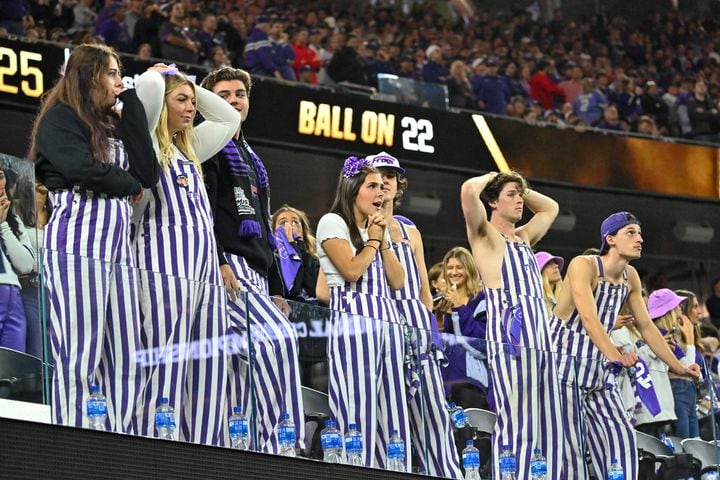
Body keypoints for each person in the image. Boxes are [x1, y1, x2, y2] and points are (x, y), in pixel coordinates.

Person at [30, 43, 158, 430]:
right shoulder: (59, 118)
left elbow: (148, 173)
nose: (120, 81)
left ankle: (114, 440)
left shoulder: (112, 122)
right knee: (80, 353)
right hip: (76, 242)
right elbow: (79, 168)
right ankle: (72, 439)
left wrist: (133, 104)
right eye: (112, 73)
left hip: (118, 249)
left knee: (125, 355)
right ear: (89, 77)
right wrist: (127, 183)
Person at [200, 66, 305, 453]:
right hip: (229, 268)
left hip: (258, 274)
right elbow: (205, 213)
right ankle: (285, 447)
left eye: (239, 94)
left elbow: (264, 225)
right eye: (223, 95)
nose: (232, 101)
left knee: (241, 377)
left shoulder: (251, 158)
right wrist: (219, 259)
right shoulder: (210, 145)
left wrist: (277, 288)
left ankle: (250, 454)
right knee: (277, 343)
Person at [133, 63, 239, 445]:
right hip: (163, 266)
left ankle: (202, 450)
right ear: (161, 104)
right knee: (164, 361)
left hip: (205, 272)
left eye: (194, 101)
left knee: (209, 366)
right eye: (182, 100)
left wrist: (188, 83)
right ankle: (150, 445)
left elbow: (228, 118)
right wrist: (158, 76)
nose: (192, 107)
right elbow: (144, 88)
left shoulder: (190, 148)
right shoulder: (145, 142)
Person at [551, 213, 700, 478]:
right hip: (562, 369)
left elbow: (647, 327)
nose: (640, 239)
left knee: (621, 441)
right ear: (610, 239)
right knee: (568, 451)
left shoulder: (630, 276)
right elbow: (588, 318)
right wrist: (615, 356)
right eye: (631, 232)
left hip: (598, 371)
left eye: (640, 233)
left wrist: (679, 366)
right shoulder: (583, 265)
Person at [460, 171, 562, 479]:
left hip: (541, 335)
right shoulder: (484, 235)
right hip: (509, 333)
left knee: (548, 418)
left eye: (521, 195)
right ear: (492, 201)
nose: (520, 200)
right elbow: (467, 191)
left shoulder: (525, 236)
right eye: (512, 195)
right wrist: (494, 177)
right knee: (515, 417)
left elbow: (551, 208)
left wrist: (517, 182)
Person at [367, 152, 461, 478]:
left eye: (391, 177)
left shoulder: (410, 230)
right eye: (378, 176)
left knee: (433, 411)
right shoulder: (356, 223)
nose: (386, 183)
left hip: (417, 329)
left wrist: (431, 331)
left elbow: (423, 289)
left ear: (398, 184)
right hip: (382, 326)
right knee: (387, 416)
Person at [316, 156, 408, 469]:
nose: (381, 193)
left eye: (383, 187)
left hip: (388, 327)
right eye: (373, 187)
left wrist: (381, 242)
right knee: (356, 412)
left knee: (392, 413)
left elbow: (398, 281)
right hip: (353, 328)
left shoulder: (376, 231)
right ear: (354, 190)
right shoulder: (332, 223)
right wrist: (372, 241)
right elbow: (351, 272)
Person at [271, 204, 327, 392]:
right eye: (283, 222)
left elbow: (312, 289)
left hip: (317, 331)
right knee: (296, 387)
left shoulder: (317, 257)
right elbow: (291, 289)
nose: (290, 226)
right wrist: (289, 249)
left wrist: (299, 248)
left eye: (296, 222)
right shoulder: (273, 260)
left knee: (320, 387)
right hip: (291, 331)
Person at [436, 246, 491, 411]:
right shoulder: (445, 300)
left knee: (471, 435)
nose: (454, 272)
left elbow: (482, 345)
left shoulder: (482, 300)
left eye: (459, 267)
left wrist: (460, 307)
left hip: (471, 383)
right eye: (450, 267)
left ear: (469, 269)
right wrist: (439, 317)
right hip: (446, 383)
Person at [648, 288, 701, 439]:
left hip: (684, 390)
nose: (680, 308)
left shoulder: (669, 334)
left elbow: (687, 364)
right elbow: (687, 364)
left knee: (692, 442)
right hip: (675, 390)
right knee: (684, 442)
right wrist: (690, 336)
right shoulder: (658, 335)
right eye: (677, 305)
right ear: (668, 310)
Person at [0, 165, 35, 353]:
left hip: (14, 295)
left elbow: (26, 265)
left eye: (1, 176)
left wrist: (3, 225)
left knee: (13, 370)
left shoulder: (12, 218)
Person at [534, 251, 563, 315]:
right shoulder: (537, 301)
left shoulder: (564, 299)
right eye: (550, 264)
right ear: (540, 273)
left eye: (555, 263)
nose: (556, 265)